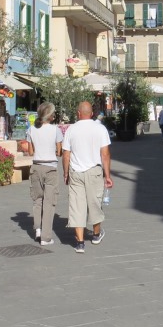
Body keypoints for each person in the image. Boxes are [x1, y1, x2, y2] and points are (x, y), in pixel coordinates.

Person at [62, 100, 113, 253]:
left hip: (76, 171)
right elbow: (105, 154)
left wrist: (65, 173)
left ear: (78, 113)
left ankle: (80, 243)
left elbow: (66, 154)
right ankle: (96, 235)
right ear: (91, 114)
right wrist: (107, 175)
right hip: (94, 171)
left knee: (77, 205)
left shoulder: (71, 130)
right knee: (94, 203)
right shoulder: (100, 129)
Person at [25, 102, 63, 246]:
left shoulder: (31, 129)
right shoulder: (55, 130)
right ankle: (46, 237)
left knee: (37, 200)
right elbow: (59, 151)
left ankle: (38, 230)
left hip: (36, 167)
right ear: (50, 115)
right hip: (50, 167)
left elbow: (30, 152)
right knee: (49, 202)